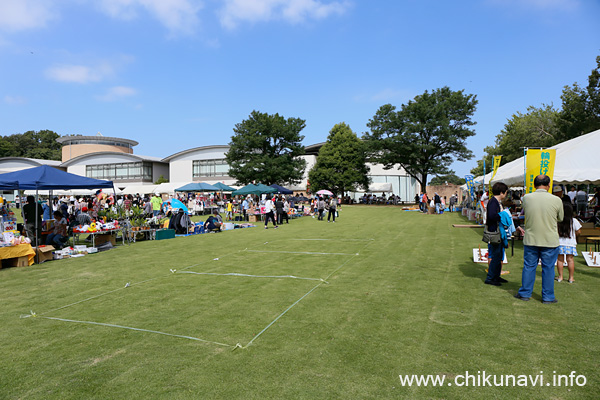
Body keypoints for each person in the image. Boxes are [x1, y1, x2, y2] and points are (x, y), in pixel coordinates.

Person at [515, 175, 564, 304]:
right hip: (549, 239)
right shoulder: (556, 200)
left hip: (531, 238)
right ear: (548, 185)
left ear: (535, 184)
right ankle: (548, 297)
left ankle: (525, 293)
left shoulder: (526, 198)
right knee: (548, 269)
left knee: (529, 266)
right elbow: (560, 218)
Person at [484, 182, 509, 286]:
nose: (506, 195)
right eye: (506, 193)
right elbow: (491, 216)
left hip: (498, 232)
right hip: (495, 232)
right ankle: (490, 278)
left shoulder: (496, 202)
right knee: (496, 256)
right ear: (502, 192)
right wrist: (502, 216)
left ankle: (496, 276)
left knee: (499, 256)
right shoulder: (493, 202)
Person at [556, 202, 581, 283]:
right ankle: (571, 278)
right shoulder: (574, 221)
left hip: (560, 242)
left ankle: (560, 277)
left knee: (560, 260)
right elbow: (579, 231)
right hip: (571, 243)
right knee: (570, 260)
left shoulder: (558, 220)